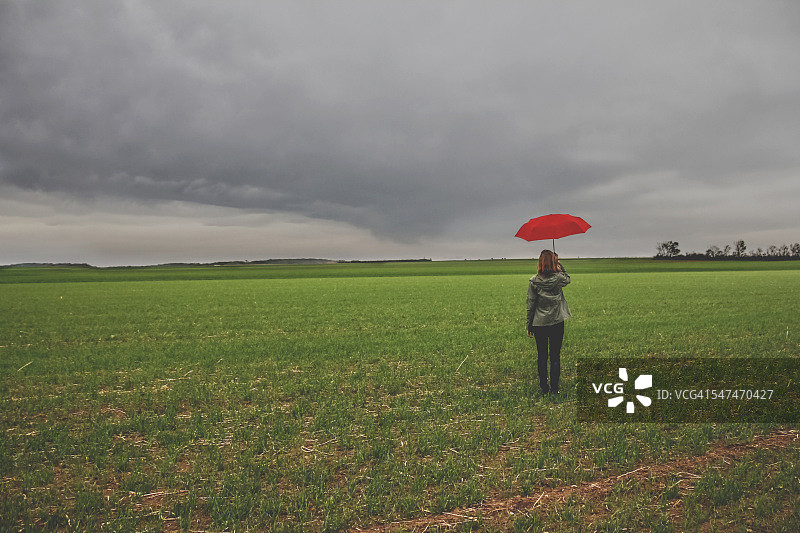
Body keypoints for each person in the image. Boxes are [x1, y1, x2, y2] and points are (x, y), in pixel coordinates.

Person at [526, 250, 571, 395]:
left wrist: (529, 324)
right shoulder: (559, 278)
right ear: (553, 263)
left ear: (540, 262)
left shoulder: (534, 281)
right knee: (555, 355)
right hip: (557, 322)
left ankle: (544, 388)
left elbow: (531, 304)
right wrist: (559, 263)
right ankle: (555, 388)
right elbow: (568, 278)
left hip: (539, 323)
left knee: (542, 356)